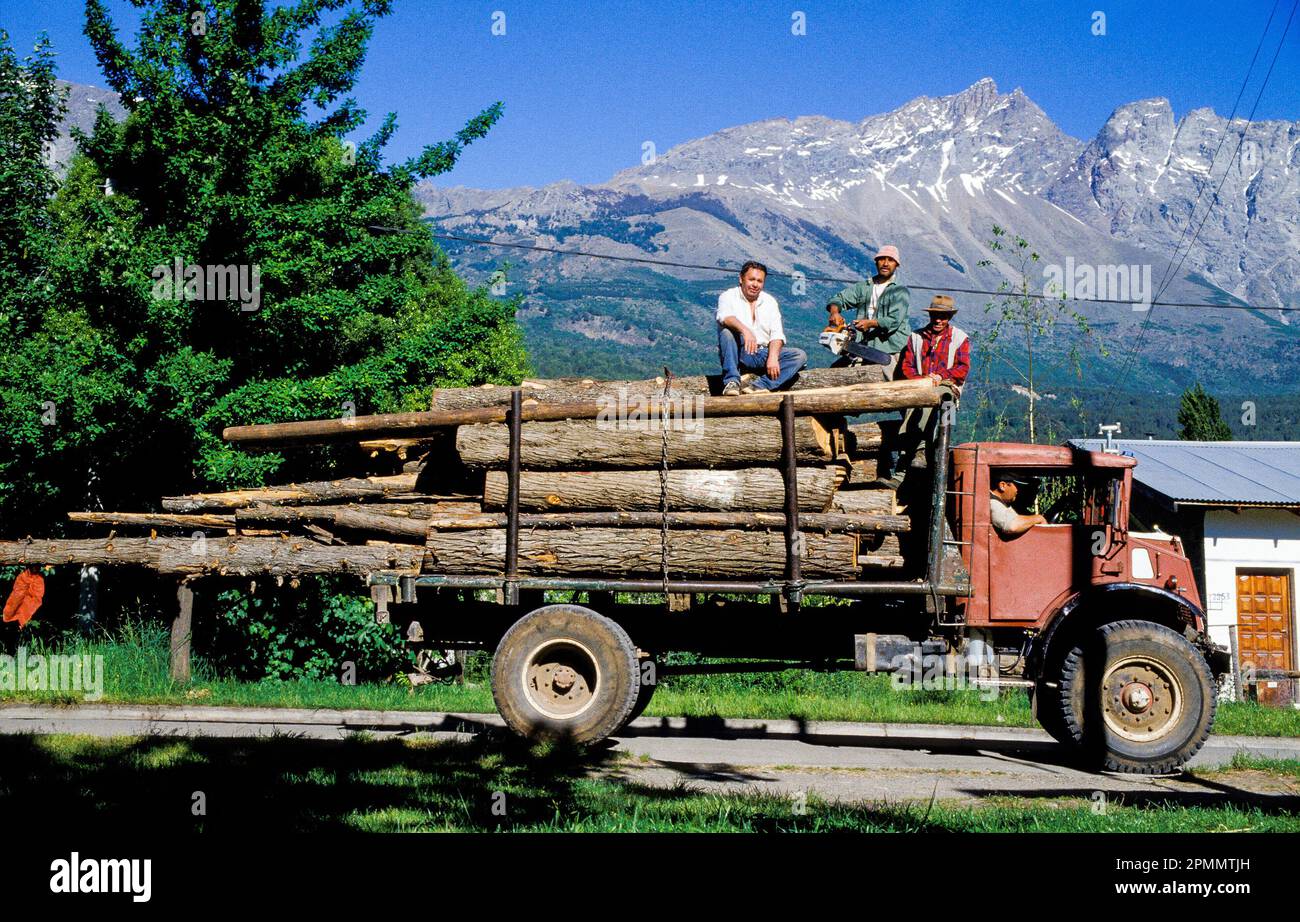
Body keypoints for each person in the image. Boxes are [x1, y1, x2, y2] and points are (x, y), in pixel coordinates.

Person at [878, 295, 970, 485]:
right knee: (918, 401)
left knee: (929, 399)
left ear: (949, 318)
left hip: (948, 388)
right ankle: (916, 454)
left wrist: (941, 377)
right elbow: (907, 367)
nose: (938, 320)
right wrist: (923, 380)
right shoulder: (916, 337)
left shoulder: (960, 338)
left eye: (942, 316)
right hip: (920, 385)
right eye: (935, 315)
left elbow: (962, 368)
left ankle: (905, 468)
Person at [716, 261, 808, 395]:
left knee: (799, 356)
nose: (755, 284)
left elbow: (777, 334)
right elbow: (724, 317)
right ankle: (732, 382)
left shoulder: (769, 301)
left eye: (759, 281)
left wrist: (773, 357)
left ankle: (758, 386)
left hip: (762, 352)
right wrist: (745, 331)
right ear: (741, 279)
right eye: (751, 279)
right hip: (739, 350)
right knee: (726, 332)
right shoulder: (728, 296)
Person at [825, 245, 911, 378]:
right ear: (876, 262)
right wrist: (835, 312)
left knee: (891, 386)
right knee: (835, 374)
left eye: (890, 260)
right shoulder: (864, 287)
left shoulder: (900, 291)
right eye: (882, 259)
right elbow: (838, 299)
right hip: (863, 348)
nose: (886, 263)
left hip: (890, 349)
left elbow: (894, 320)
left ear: (896, 265)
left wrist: (870, 323)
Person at [989, 473, 1047, 537]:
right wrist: (1039, 518)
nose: (1017, 491)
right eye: (1018, 486)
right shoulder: (992, 502)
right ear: (1002, 486)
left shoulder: (1002, 503)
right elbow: (1011, 525)